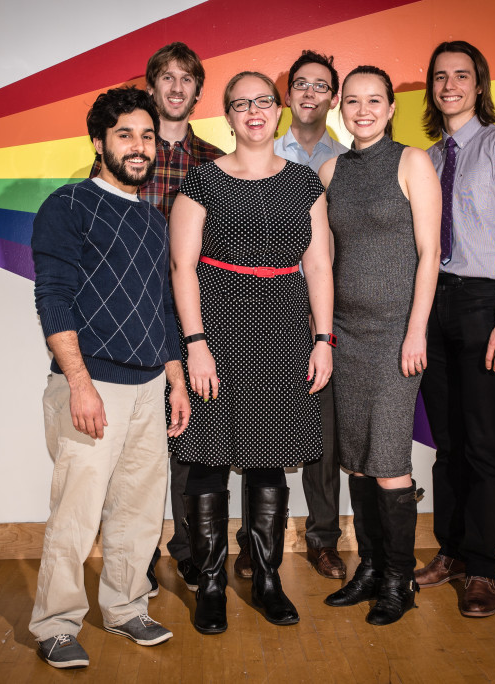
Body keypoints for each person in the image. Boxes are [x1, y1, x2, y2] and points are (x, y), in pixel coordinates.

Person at [28, 87, 190, 668]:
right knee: (76, 514)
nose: (139, 146)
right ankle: (55, 624)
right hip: (92, 386)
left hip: (149, 387)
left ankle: (125, 609)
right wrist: (78, 383)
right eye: (125, 135)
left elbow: (162, 308)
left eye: (147, 136)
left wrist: (174, 379)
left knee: (140, 512)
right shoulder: (67, 206)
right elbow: (55, 300)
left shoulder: (152, 218)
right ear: (99, 143)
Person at [169, 71, 334, 633]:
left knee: (269, 460)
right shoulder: (202, 182)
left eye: (264, 100)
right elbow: (182, 267)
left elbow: (318, 266)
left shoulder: (305, 185)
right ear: (228, 114)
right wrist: (194, 345)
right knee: (209, 458)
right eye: (241, 104)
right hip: (216, 329)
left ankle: (267, 578)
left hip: (284, 331)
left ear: (279, 108)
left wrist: (322, 339)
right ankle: (211, 583)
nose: (254, 111)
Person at [93, 42, 225, 596]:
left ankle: (191, 549)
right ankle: (135, 552)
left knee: (189, 441)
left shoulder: (216, 161)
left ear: (198, 90)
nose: (175, 87)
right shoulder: (123, 155)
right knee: (135, 447)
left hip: (198, 315)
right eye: (166, 77)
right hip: (135, 315)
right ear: (152, 86)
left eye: (186, 79)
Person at [415, 40, 495, 618]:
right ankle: (453, 553)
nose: (449, 85)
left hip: (484, 303)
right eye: (440, 77)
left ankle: (484, 569)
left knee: (485, 442)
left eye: (461, 76)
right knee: (447, 445)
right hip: (433, 304)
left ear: (479, 84)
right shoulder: (428, 159)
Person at [318, 65, 442, 626]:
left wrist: (416, 330)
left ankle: (398, 580)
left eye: (374, 101)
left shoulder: (413, 162)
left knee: (389, 461)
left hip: (397, 334)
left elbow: (430, 253)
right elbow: (319, 258)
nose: (362, 110)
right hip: (346, 334)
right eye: (352, 101)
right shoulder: (329, 170)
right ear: (340, 108)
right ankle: (369, 568)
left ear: (392, 108)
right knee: (358, 463)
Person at [272, 50, 350, 581]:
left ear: (333, 98)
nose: (308, 93)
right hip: (266, 305)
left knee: (322, 431)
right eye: (300, 84)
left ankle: (323, 538)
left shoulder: (348, 161)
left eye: (320, 86)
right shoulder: (259, 152)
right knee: (266, 422)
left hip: (322, 308)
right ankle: (263, 536)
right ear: (287, 94)